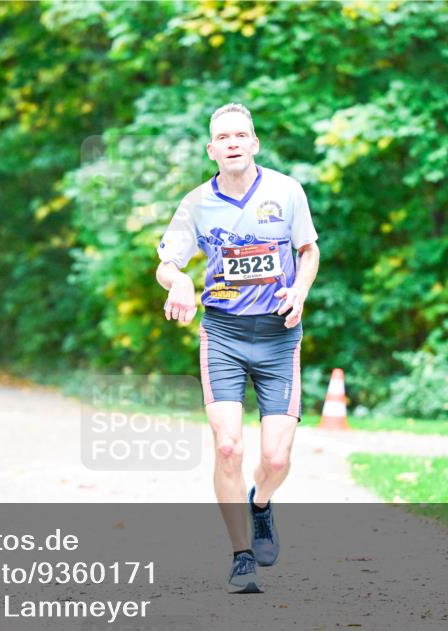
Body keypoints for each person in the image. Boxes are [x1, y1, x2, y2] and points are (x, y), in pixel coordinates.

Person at [155, 103, 320, 593]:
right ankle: (241, 554)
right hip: (223, 334)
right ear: (212, 149)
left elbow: (308, 250)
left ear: (254, 144)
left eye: (239, 135)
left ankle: (262, 503)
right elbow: (167, 262)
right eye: (222, 137)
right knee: (227, 445)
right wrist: (178, 281)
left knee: (275, 459)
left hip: (277, 335)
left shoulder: (286, 191)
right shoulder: (195, 204)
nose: (231, 142)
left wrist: (301, 289)